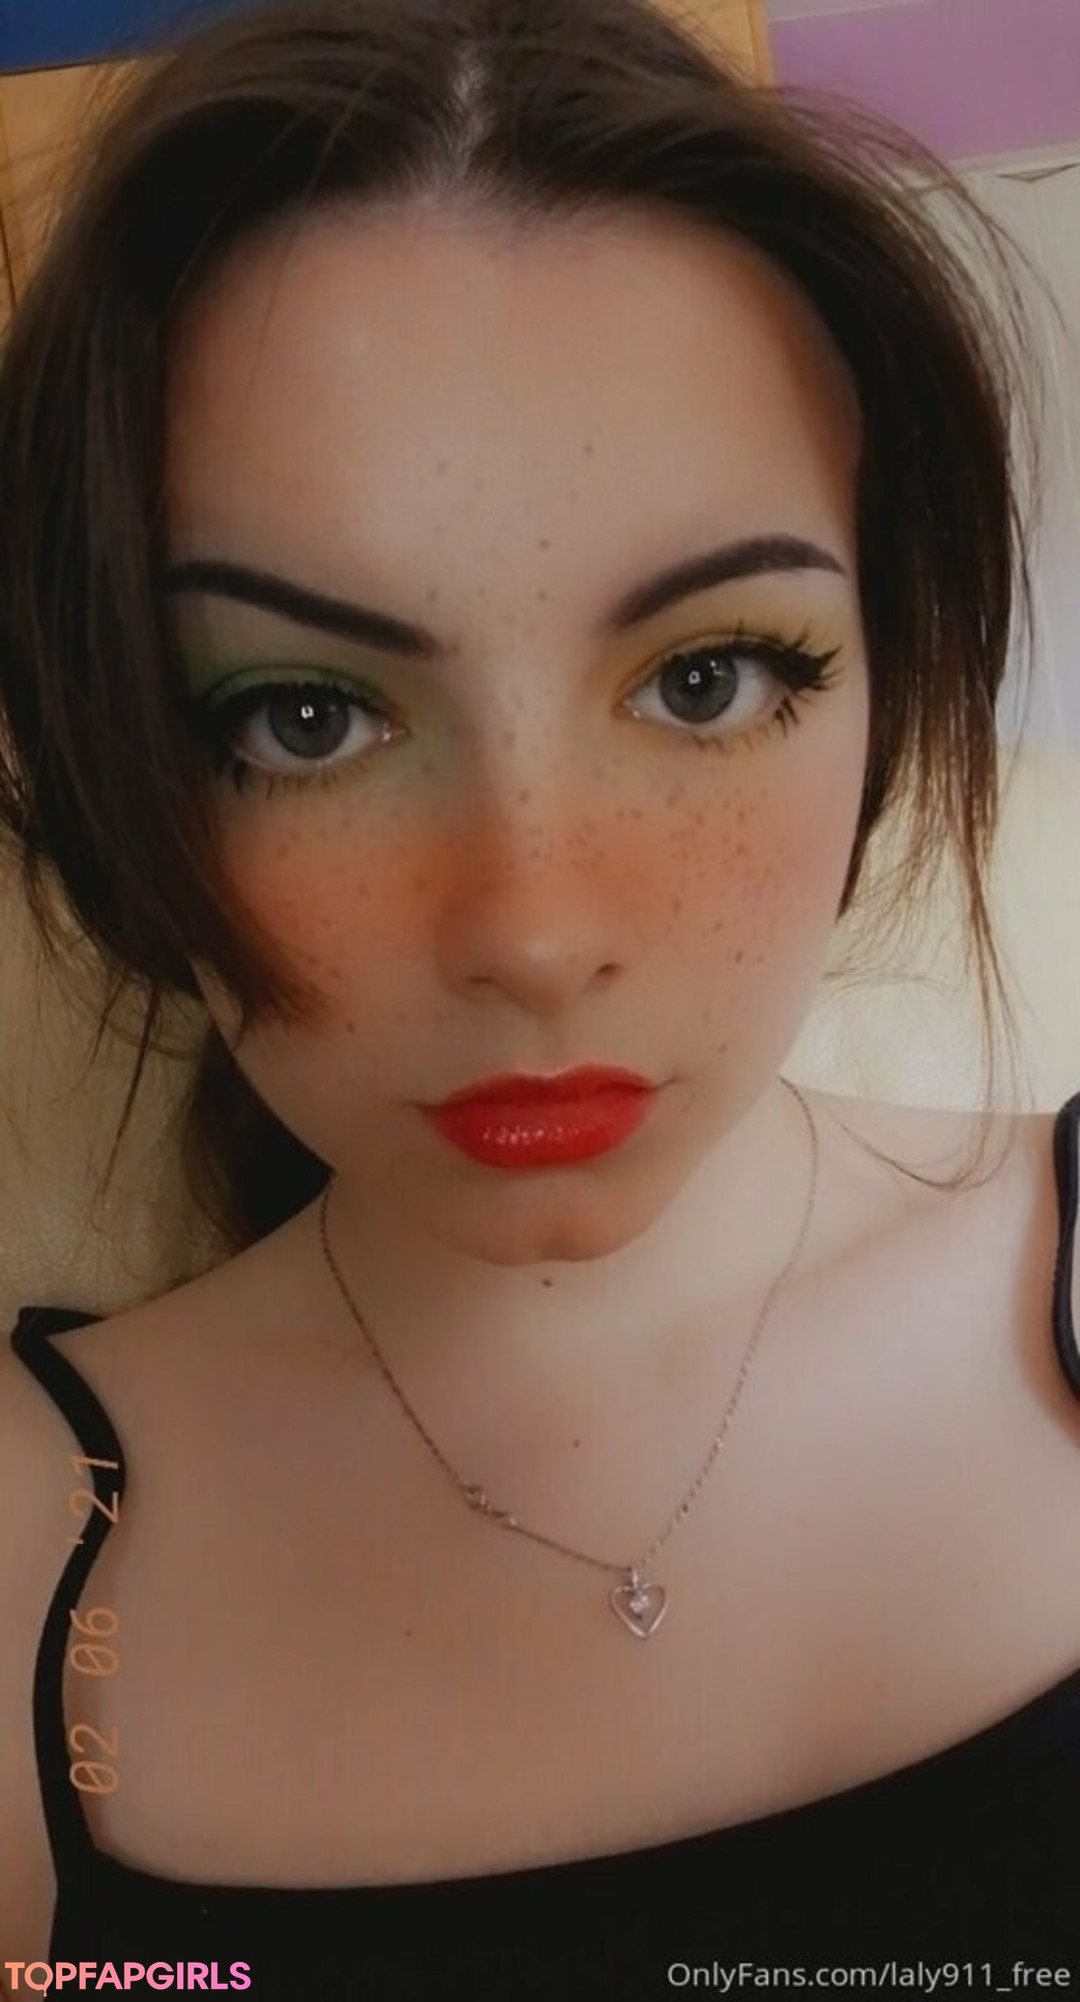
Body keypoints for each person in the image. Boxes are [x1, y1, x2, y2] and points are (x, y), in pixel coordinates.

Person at [1, 0, 1077, 1993]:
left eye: (707, 679)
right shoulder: (23, 1552)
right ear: (117, 761)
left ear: (887, 677)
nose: (534, 926)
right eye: (305, 717)